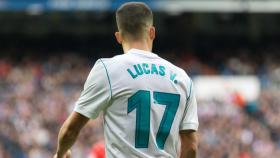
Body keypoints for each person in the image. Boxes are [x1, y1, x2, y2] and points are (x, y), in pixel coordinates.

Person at [53, 2, 198, 158]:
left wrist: (60, 154)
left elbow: (70, 130)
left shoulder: (108, 70)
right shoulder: (182, 78)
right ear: (152, 32)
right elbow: (191, 147)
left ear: (118, 37)